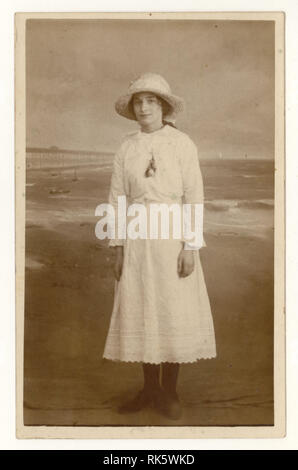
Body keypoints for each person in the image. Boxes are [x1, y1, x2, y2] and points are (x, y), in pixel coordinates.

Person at [102, 73, 216, 420]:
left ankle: (169, 392)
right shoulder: (127, 147)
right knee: (142, 309)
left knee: (170, 309)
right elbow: (117, 198)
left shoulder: (182, 144)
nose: (143, 107)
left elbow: (194, 196)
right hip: (138, 239)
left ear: (164, 107)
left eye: (151, 101)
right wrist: (118, 246)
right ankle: (149, 389)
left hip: (171, 237)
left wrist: (190, 246)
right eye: (138, 101)